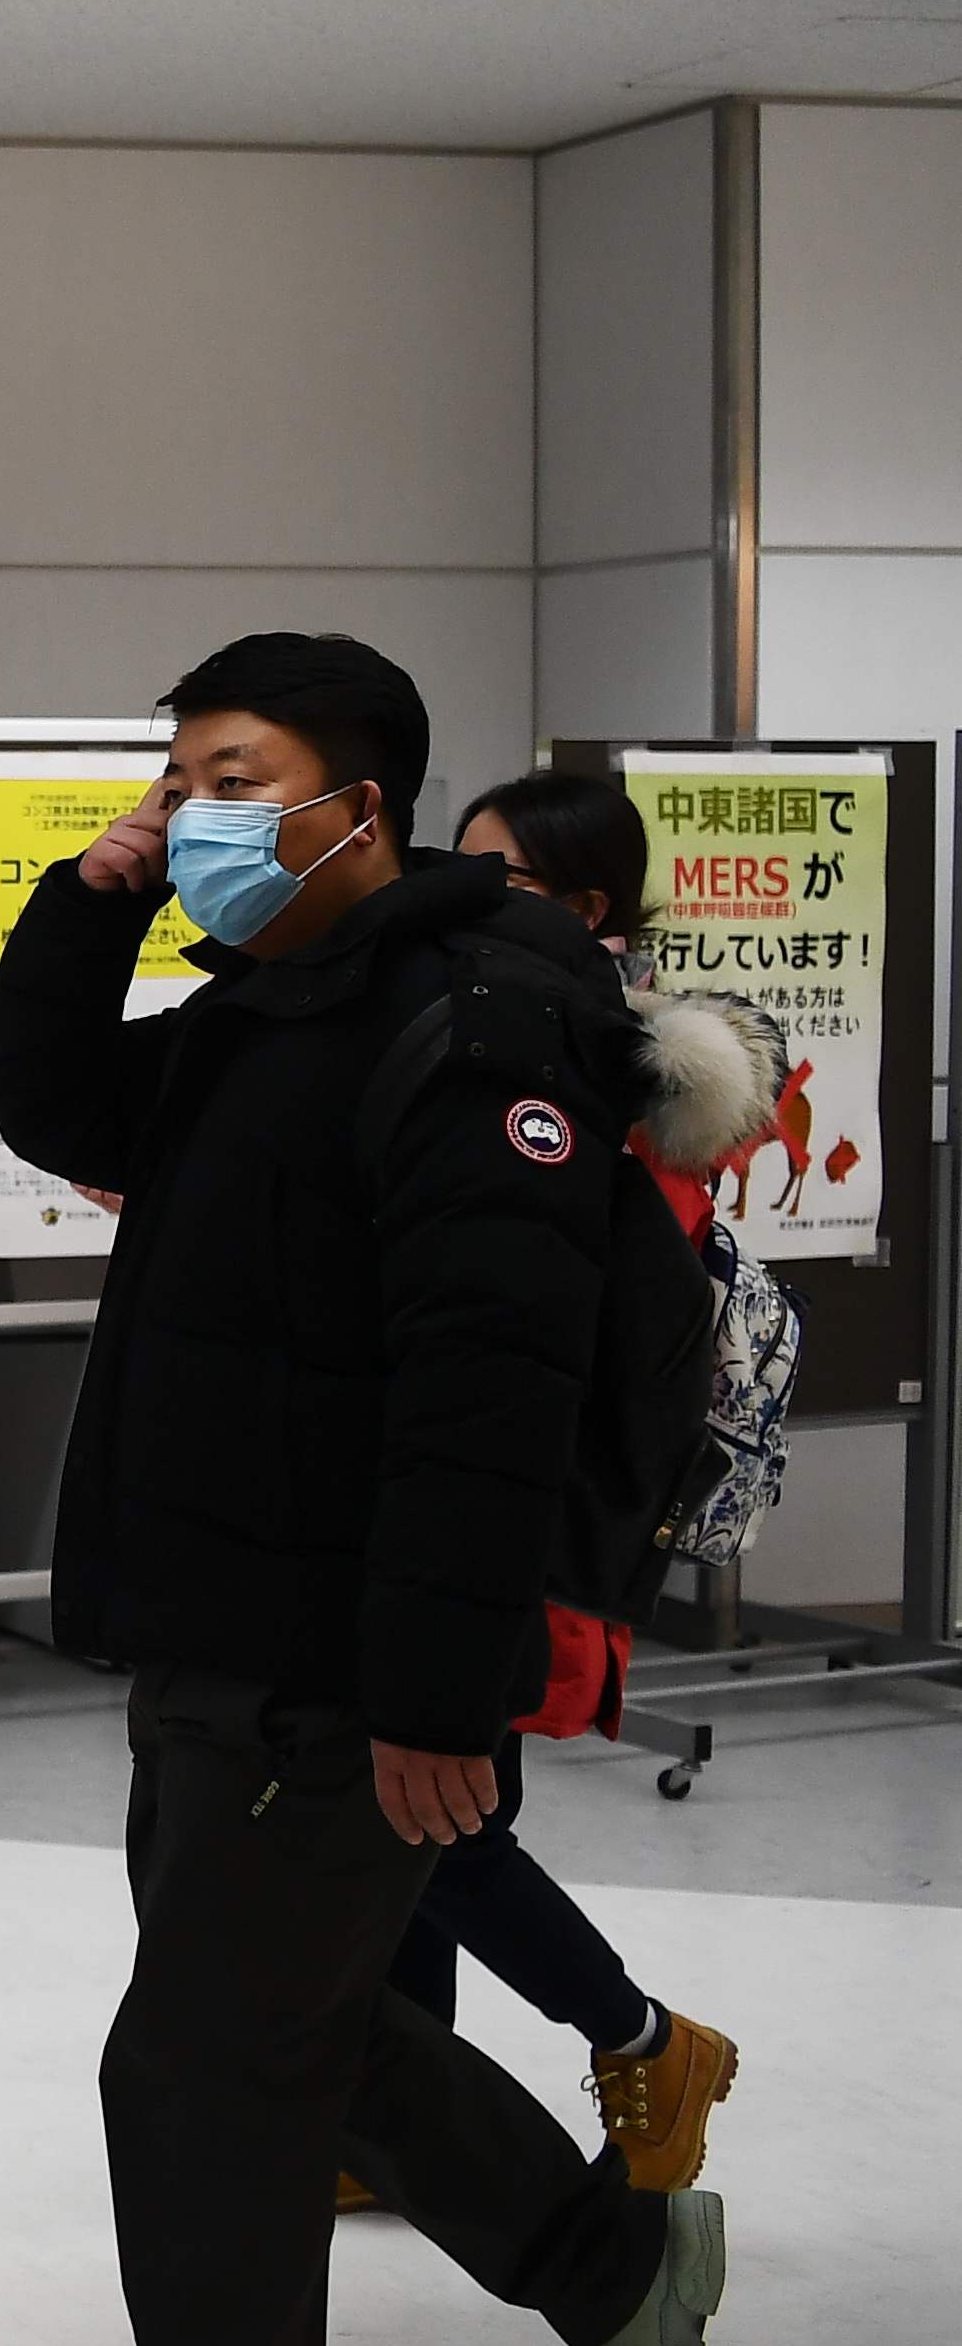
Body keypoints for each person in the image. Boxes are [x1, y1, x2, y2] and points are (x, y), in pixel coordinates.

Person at [0, 635, 724, 2346]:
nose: (192, 810)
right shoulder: (278, 1008)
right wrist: (88, 898)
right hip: (220, 1618)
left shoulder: (470, 1030)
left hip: (333, 1653)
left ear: (352, 802)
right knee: (285, 2023)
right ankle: (608, 2255)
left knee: (205, 2052)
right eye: (179, 777)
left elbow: (486, 1392)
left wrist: (429, 1691)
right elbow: (65, 1106)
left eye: (230, 775)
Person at [362, 776, 748, 2195]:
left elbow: (570, 1334)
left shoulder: (599, 1077)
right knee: (413, 1821)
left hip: (517, 1504)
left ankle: (644, 2035)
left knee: (445, 1827)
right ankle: (391, 2120)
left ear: (586, 909)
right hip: (463, 1497)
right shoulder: (530, 1037)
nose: (464, 899)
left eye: (498, 876)